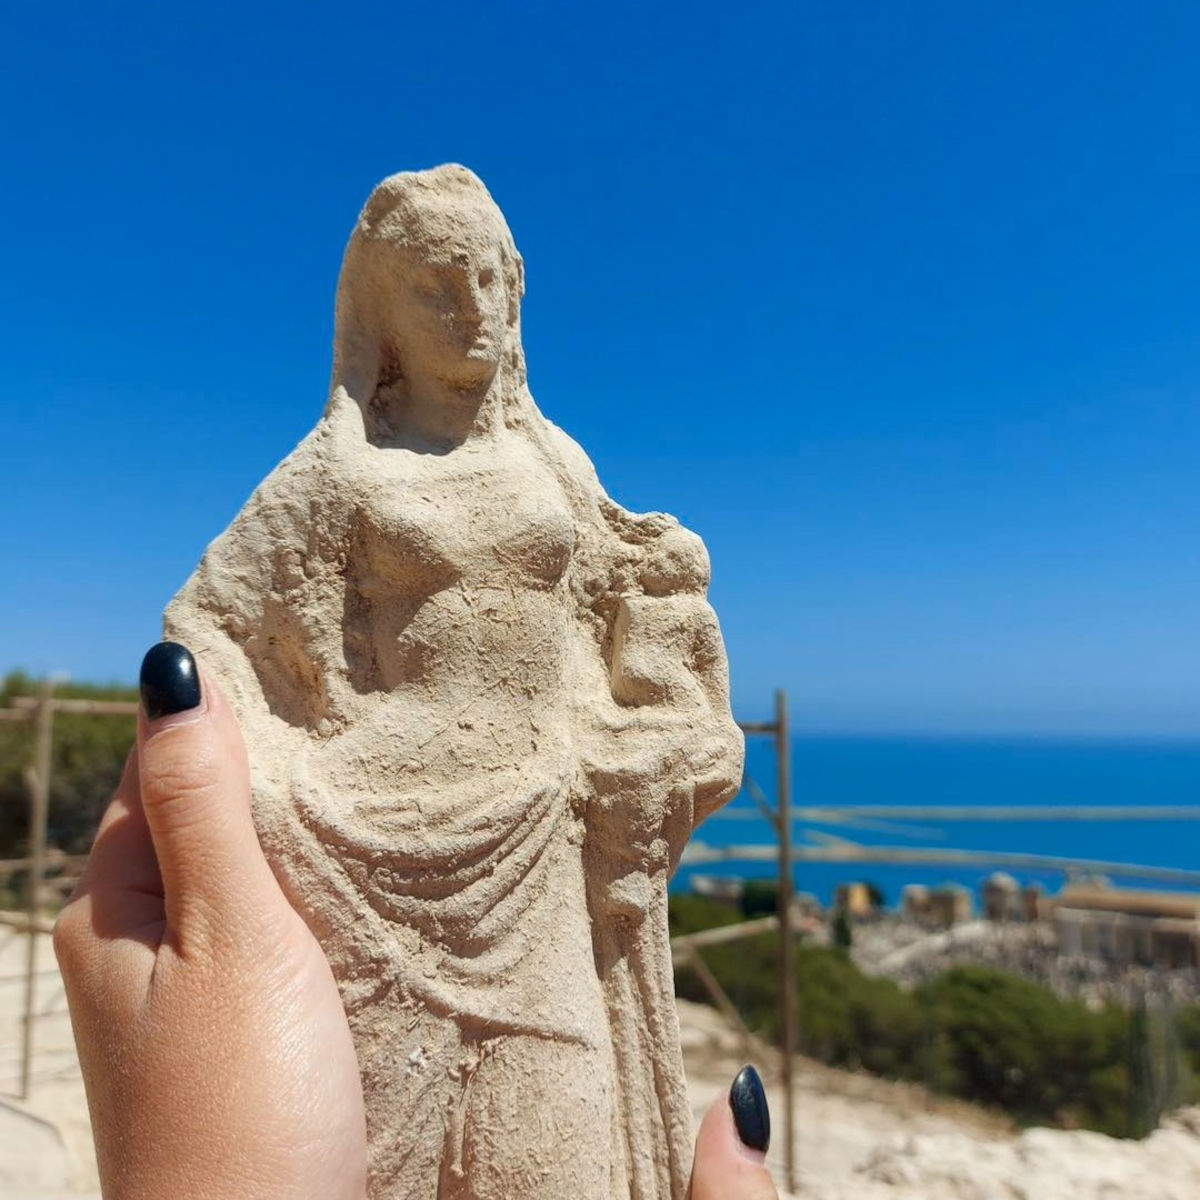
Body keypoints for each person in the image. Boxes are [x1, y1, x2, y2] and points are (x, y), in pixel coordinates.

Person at [52, 642, 779, 1199]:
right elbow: (236, 627)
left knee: (558, 1136)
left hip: (538, 852)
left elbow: (700, 738)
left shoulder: (562, 485)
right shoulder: (338, 466)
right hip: (370, 818)